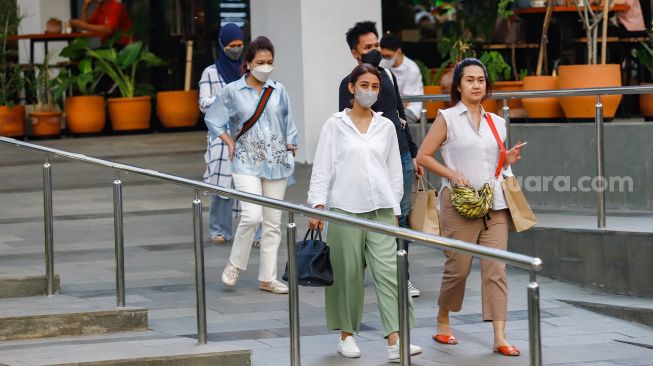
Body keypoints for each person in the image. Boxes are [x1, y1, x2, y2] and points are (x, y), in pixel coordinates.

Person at [309, 63, 422, 363]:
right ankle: (346, 336)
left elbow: (394, 171)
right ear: (351, 87)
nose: (369, 91)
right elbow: (322, 167)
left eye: (375, 87)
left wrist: (396, 208)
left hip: (382, 210)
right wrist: (317, 205)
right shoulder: (335, 125)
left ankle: (395, 340)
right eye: (365, 85)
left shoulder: (386, 126)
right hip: (345, 209)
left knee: (389, 274)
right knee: (347, 275)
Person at [415, 58, 525, 357]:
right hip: (459, 204)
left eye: (481, 80)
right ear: (459, 86)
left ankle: (500, 335)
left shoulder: (497, 122)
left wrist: (507, 159)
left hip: (495, 205)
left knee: (496, 269)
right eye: (470, 80)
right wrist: (451, 174)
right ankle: (442, 319)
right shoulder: (447, 118)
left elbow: (494, 162)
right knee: (458, 269)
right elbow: (424, 155)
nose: (477, 85)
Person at [205, 36, 297, 295]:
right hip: (245, 161)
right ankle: (234, 264)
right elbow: (214, 119)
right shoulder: (233, 91)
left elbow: (289, 123)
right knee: (252, 215)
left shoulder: (279, 90)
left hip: (277, 163)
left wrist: (291, 146)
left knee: (272, 222)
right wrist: (228, 142)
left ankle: (268, 278)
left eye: (269, 62)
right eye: (260, 62)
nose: (265, 66)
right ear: (248, 64)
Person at [338, 20, 423, 298]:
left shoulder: (389, 77)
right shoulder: (348, 86)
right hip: (371, 162)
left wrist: (414, 153)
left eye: (377, 46)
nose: (376, 51)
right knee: (369, 213)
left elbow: (400, 115)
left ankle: (402, 275)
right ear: (355, 53)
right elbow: (346, 127)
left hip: (400, 157)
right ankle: (359, 272)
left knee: (402, 216)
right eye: (368, 47)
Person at [199, 23, 250, 245]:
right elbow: (203, 104)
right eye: (232, 45)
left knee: (250, 183)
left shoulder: (247, 70)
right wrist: (226, 96)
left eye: (240, 45)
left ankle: (255, 233)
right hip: (221, 136)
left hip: (246, 134)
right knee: (221, 182)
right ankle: (219, 229)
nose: (236, 49)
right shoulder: (210, 72)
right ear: (222, 45)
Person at [380, 33, 424, 124]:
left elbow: (405, 102)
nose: (385, 59)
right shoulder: (383, 65)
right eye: (383, 56)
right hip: (390, 108)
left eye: (388, 56)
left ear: (398, 52)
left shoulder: (412, 69)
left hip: (410, 110)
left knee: (386, 122)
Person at [69, 0, 134, 46]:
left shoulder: (116, 6)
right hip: (108, 46)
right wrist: (85, 6)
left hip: (124, 46)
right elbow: (86, 23)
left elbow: (109, 29)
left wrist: (83, 26)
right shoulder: (99, 8)